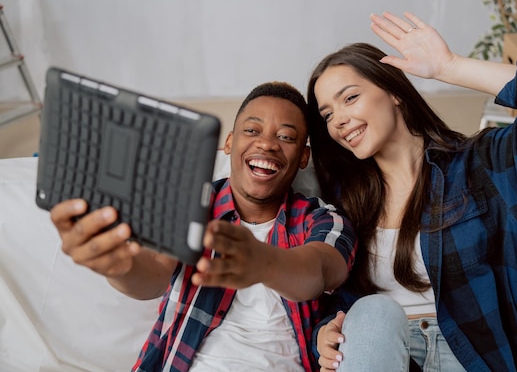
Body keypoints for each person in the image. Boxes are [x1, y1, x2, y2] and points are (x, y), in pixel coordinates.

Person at [306, 11, 517, 372]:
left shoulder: (480, 167)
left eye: (349, 98)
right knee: (374, 311)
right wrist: (324, 335)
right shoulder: (346, 199)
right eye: (327, 114)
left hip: (467, 353)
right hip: (383, 350)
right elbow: (339, 297)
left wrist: (449, 67)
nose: (339, 121)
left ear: (393, 91)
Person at [51, 81, 357, 372]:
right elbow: (154, 274)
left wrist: (262, 262)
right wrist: (117, 266)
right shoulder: (190, 205)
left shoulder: (324, 218)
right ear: (229, 142)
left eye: (286, 137)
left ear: (303, 157)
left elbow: (319, 271)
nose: (266, 143)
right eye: (251, 130)